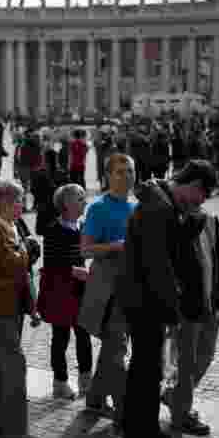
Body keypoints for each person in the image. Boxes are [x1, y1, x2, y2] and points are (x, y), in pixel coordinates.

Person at [117, 159, 219, 438]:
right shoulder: (158, 209)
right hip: (146, 301)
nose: (201, 202)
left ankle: (136, 430)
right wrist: (172, 311)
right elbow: (158, 266)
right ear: (192, 186)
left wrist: (188, 226)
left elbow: (168, 245)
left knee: (143, 368)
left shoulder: (162, 204)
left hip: (142, 298)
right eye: (202, 194)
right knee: (149, 371)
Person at [0, 179, 41, 438]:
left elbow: (24, 274)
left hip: (14, 310)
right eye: (19, 200)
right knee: (15, 366)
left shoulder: (12, 228)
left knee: (5, 367)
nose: (23, 205)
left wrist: (33, 306)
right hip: (2, 312)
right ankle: (14, 432)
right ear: (4, 202)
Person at [160, 197, 219, 437]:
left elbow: (216, 260)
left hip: (210, 301)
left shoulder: (211, 220)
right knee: (187, 361)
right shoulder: (177, 223)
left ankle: (174, 396)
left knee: (206, 355)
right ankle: (182, 414)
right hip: (188, 305)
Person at [78, 153, 136, 421]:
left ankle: (95, 399)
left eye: (130, 171)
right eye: (120, 172)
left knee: (113, 347)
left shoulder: (137, 207)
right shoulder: (98, 207)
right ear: (108, 176)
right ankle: (127, 412)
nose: (127, 177)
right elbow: (86, 250)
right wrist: (114, 246)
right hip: (107, 291)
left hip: (131, 288)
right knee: (117, 350)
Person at [37, 183, 92, 399]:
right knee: (61, 337)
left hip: (80, 290)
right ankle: (60, 382)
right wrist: (73, 271)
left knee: (84, 334)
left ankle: (86, 382)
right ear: (66, 204)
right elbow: (51, 264)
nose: (84, 202)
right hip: (60, 291)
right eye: (80, 199)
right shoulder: (53, 230)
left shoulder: (82, 227)